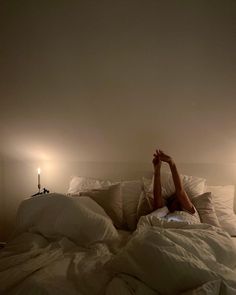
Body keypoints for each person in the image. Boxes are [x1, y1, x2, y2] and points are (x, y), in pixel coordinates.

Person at [151, 149, 200, 224]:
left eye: (179, 199)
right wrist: (157, 170)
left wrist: (171, 162)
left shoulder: (191, 212)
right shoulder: (164, 213)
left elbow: (180, 191)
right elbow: (157, 195)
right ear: (170, 205)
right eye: (175, 199)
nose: (178, 200)